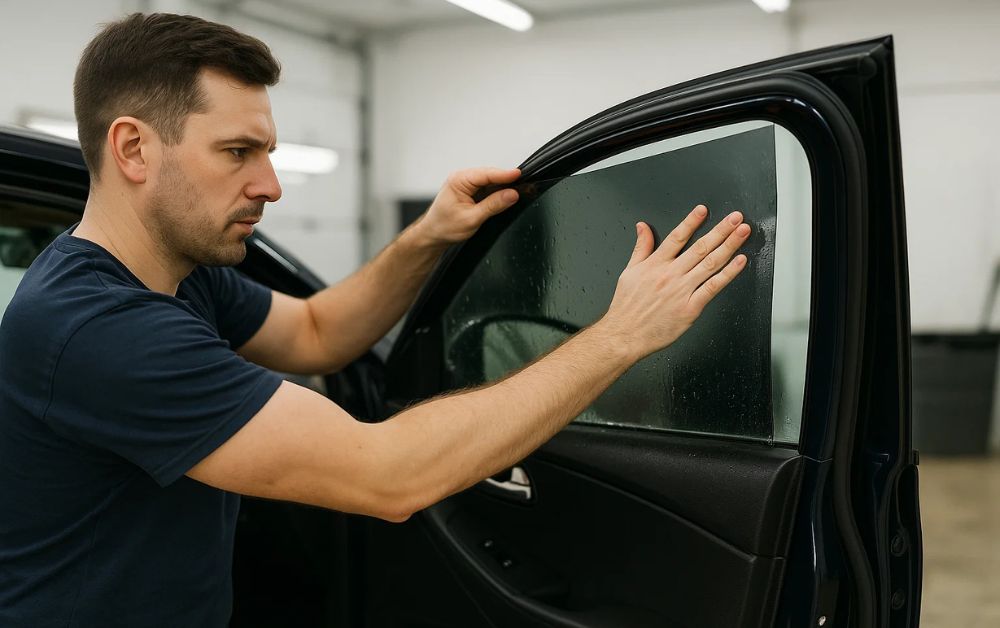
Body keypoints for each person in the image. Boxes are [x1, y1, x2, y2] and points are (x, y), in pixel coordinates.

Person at [0, 12, 751, 628]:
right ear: (133, 148)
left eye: (267, 152)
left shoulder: (180, 279)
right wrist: (621, 336)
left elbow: (320, 332)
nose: (269, 185)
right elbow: (389, 476)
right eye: (237, 152)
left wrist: (428, 236)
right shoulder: (95, 327)